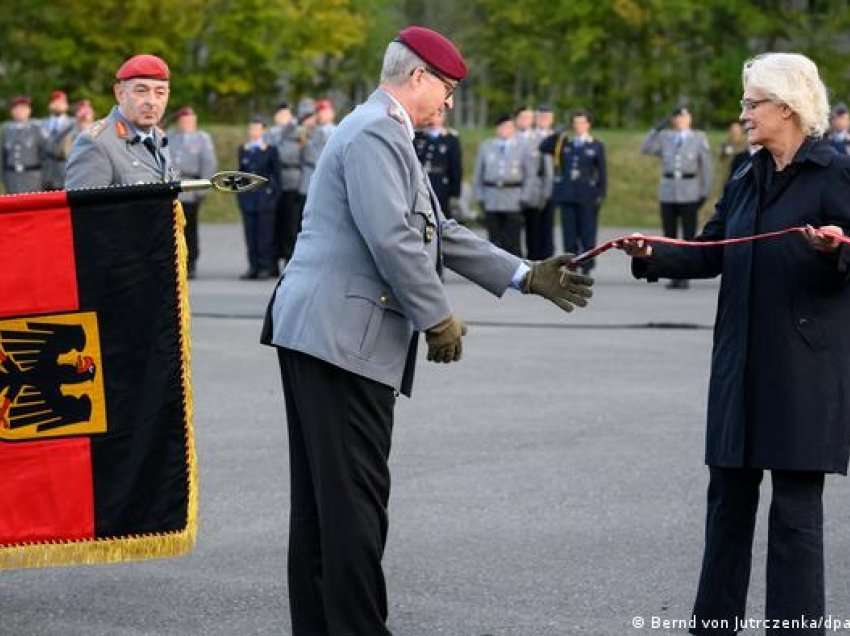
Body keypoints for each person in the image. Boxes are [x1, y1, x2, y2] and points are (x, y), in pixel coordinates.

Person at [261, 25, 593, 636]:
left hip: (323, 333)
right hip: (339, 341)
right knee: (353, 505)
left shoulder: (383, 133)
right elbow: (392, 237)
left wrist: (524, 275)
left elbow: (440, 230)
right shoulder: (373, 133)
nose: (448, 101)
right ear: (417, 77)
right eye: (445, 88)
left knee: (328, 505)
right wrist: (436, 318)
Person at [620, 52, 850, 635]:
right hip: (738, 363)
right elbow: (712, 247)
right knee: (726, 503)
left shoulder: (835, 172)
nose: (743, 113)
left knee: (796, 515)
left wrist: (837, 249)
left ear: (788, 107)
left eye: (753, 103)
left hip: (802, 369)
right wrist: (654, 253)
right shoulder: (746, 174)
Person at [65, 54, 176, 188]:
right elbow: (83, 207)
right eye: (141, 91)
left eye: (160, 93)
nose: (152, 102)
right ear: (120, 93)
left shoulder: (159, 137)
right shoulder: (97, 143)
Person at [640, 106, 713, 289]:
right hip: (668, 191)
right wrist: (654, 130)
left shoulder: (698, 138)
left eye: (684, 117)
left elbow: (706, 168)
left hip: (690, 191)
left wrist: (704, 192)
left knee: (688, 238)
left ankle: (686, 275)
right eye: (677, 118)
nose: (680, 120)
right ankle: (673, 274)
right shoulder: (665, 137)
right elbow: (646, 148)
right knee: (669, 237)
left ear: (690, 119)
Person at [540, 109, 606, 274]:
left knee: (587, 232)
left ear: (588, 124)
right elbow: (543, 147)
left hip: (587, 196)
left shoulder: (596, 145)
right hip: (567, 195)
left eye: (582, 123)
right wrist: (557, 134)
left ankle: (587, 264)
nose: (579, 126)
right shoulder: (564, 143)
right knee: (569, 232)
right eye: (575, 123)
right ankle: (572, 262)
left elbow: (602, 173)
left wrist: (601, 194)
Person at [168, 106, 217, 279]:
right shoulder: (170, 136)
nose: (187, 124)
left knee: (189, 229)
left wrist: (202, 189)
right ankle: (174, 263)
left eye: (190, 121)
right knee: (172, 229)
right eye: (184, 121)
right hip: (173, 188)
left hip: (191, 187)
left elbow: (209, 164)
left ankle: (191, 262)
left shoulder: (202, 139)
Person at [473, 114, 527, 256]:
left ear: (514, 129)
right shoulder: (487, 146)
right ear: (497, 129)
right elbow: (478, 173)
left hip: (513, 198)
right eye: (502, 127)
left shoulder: (522, 147)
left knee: (513, 240)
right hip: (492, 198)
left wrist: (525, 197)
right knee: (494, 240)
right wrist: (480, 196)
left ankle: (517, 274)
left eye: (508, 127)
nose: (505, 130)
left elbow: (529, 174)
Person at [236, 116, 280, 280]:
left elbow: (276, 176)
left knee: (264, 235)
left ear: (263, 130)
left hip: (264, 197)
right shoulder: (244, 149)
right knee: (250, 234)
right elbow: (239, 174)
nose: (253, 131)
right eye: (251, 128)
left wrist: (273, 197)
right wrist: (240, 196)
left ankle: (265, 266)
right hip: (248, 197)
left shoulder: (269, 150)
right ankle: (253, 266)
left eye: (256, 128)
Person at [267, 102, 303, 265]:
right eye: (280, 115)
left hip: (292, 181)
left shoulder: (297, 131)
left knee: (291, 223)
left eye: (286, 115)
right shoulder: (270, 134)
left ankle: (290, 258)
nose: (282, 118)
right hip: (274, 181)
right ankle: (273, 258)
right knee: (274, 224)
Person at [519, 105, 555, 260]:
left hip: (545, 188)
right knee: (529, 227)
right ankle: (531, 259)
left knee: (544, 226)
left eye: (547, 117)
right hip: (525, 188)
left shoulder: (554, 138)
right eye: (540, 117)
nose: (543, 121)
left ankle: (545, 258)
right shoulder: (525, 137)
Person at [413, 109, 462, 218]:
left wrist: (455, 192)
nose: (434, 119)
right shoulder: (418, 136)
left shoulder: (450, 138)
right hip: (422, 182)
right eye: (432, 115)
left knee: (442, 215)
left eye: (438, 116)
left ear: (443, 118)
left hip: (441, 184)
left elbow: (455, 167)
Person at [1, 96, 46, 194]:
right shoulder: (6, 129)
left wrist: (44, 180)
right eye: (16, 108)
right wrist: (4, 180)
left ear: (29, 110)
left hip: (33, 179)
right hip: (12, 179)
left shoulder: (37, 128)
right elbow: (2, 158)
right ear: (11, 111)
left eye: (23, 108)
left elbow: (44, 156)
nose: (19, 111)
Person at [41, 90, 74, 190]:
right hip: (46, 176)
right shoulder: (41, 124)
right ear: (50, 105)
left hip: (67, 173)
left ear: (67, 105)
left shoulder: (74, 123)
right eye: (56, 102)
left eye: (62, 102)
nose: (58, 105)